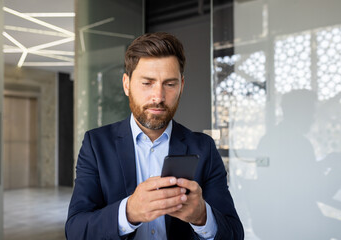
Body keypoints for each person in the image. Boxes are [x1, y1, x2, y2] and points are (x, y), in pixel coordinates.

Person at [65, 32, 243, 240]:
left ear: (181, 86)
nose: (158, 97)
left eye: (169, 84)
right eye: (147, 83)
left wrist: (202, 216)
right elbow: (76, 231)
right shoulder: (96, 145)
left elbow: (234, 234)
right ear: (126, 84)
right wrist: (128, 212)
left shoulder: (204, 148)